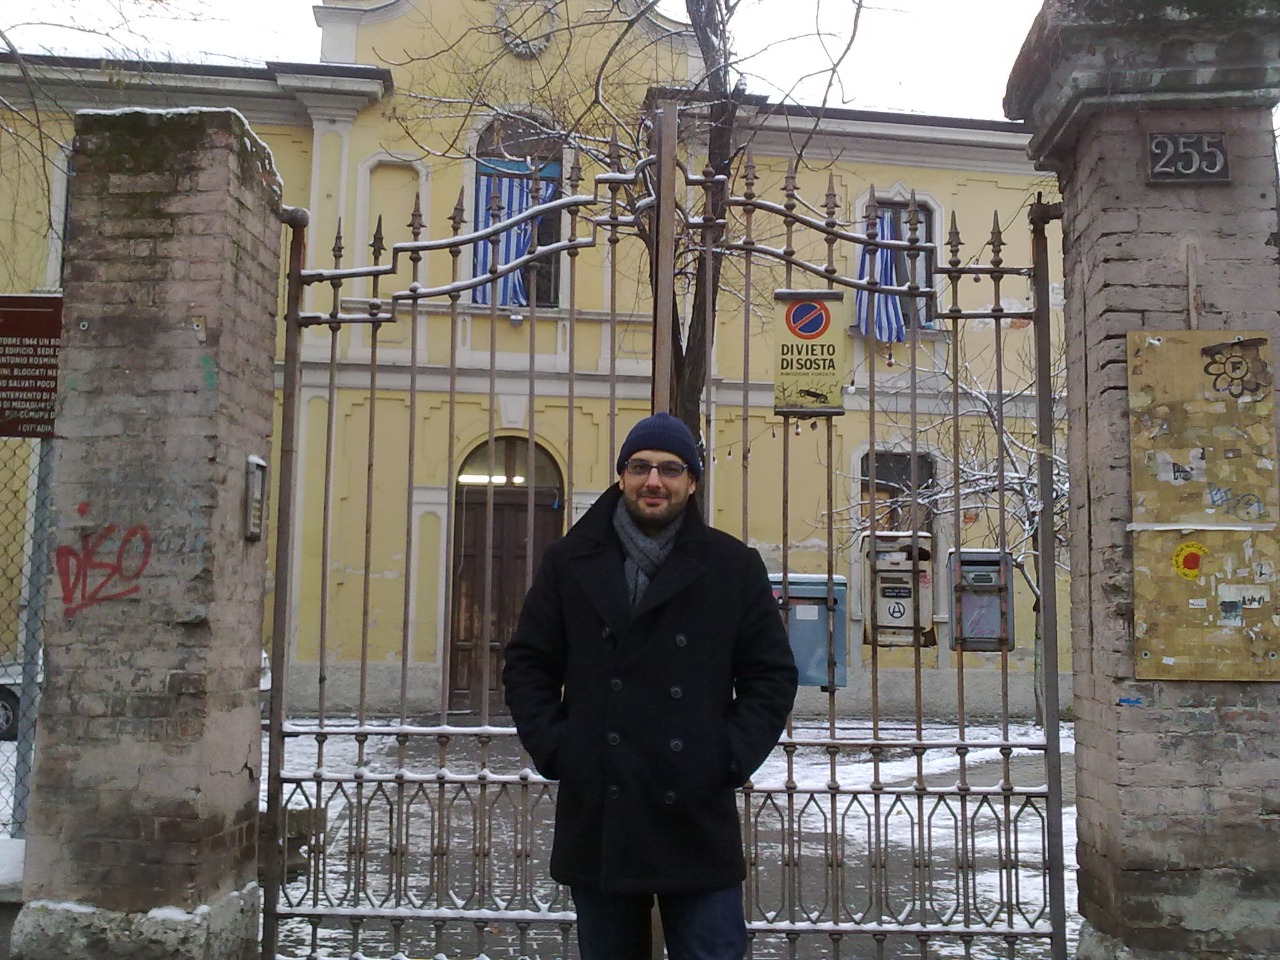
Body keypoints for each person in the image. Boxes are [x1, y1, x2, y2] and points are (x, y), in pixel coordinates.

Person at [503, 412, 798, 960]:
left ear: (692, 482)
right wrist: (559, 747)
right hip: (602, 809)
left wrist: (729, 756)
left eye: (669, 468)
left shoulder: (732, 566)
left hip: (695, 810)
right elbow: (528, 664)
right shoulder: (570, 561)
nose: (653, 480)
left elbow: (771, 674)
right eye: (639, 467)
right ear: (622, 477)